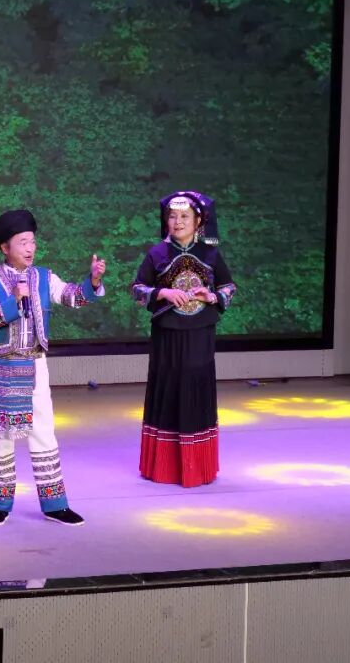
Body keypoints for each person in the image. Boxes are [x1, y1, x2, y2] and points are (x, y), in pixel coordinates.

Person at [0, 209, 106, 526]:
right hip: (0, 366)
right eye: (22, 242)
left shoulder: (44, 277)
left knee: (44, 432)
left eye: (32, 241)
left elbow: (72, 297)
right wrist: (12, 301)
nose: (30, 248)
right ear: (4, 247)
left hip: (35, 364)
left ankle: (55, 504)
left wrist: (93, 281)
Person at [131, 191, 236, 487]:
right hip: (167, 335)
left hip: (200, 333)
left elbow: (229, 286)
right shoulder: (157, 254)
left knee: (196, 388)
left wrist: (211, 296)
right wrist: (162, 292)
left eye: (184, 217)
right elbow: (137, 289)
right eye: (172, 216)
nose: (177, 222)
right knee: (168, 388)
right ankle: (163, 467)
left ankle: (197, 466)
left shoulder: (210, 254)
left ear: (198, 221)